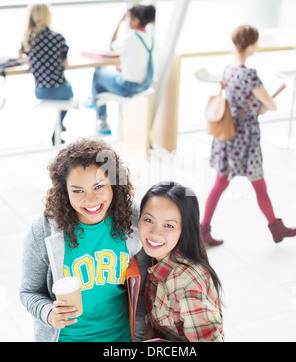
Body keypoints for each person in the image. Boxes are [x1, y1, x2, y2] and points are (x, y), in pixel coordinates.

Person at [19, 137, 151, 342]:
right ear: (64, 192)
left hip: (121, 338)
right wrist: (49, 313)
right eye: (77, 190)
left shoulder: (135, 218)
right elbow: (29, 292)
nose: (90, 200)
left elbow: (143, 289)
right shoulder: (44, 231)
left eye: (99, 186)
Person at [201, 25, 296, 246]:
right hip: (245, 139)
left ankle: (204, 228)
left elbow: (239, 100)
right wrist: (262, 106)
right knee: (257, 185)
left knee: (221, 183)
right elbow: (271, 104)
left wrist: (257, 105)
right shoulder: (250, 74)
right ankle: (276, 229)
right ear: (251, 44)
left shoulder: (229, 68)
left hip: (228, 135)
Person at [138, 181, 224, 342]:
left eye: (169, 225)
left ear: (184, 230)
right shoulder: (153, 259)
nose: (155, 233)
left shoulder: (186, 285)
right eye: (149, 220)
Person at [92, 4, 157, 135]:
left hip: (128, 87)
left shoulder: (131, 38)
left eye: (129, 19)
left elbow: (112, 47)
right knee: (109, 76)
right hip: (145, 86)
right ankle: (96, 103)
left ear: (136, 21)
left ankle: (101, 117)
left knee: (98, 73)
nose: (127, 22)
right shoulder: (152, 38)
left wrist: (119, 22)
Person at [20, 3, 73, 145]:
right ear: (47, 16)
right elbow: (65, 65)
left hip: (40, 91)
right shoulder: (58, 38)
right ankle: (58, 126)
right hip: (59, 90)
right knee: (69, 92)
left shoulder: (27, 40)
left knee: (66, 93)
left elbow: (26, 59)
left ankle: (58, 127)